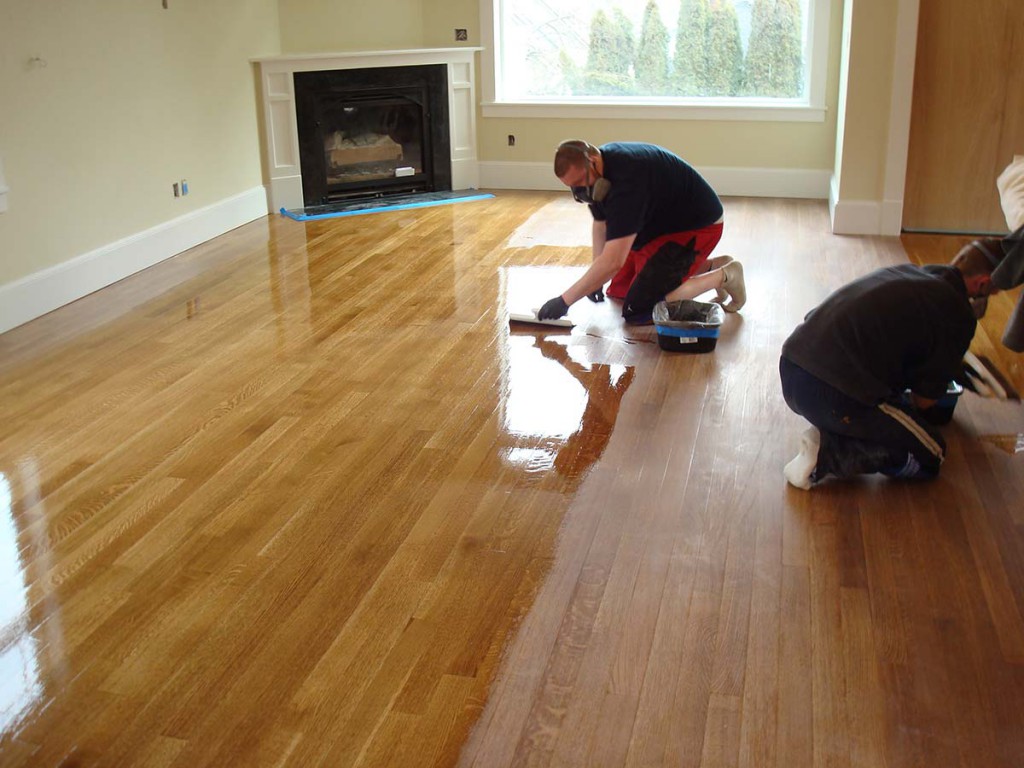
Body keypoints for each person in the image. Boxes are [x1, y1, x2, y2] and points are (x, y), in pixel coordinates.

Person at [779, 239, 1004, 489]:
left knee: (887, 396)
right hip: (832, 393)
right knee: (931, 454)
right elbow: (924, 401)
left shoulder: (908, 273)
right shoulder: (957, 315)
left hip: (793, 366)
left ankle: (839, 428)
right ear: (982, 283)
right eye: (995, 291)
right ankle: (828, 455)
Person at [536, 140, 746, 324]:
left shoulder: (628, 182)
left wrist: (565, 301)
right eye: (572, 186)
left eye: (580, 182)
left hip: (697, 226)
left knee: (640, 309)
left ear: (592, 160)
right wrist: (594, 279)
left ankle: (725, 275)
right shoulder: (600, 175)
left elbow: (613, 261)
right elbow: (601, 224)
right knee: (620, 290)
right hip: (660, 226)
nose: (579, 191)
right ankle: (712, 265)